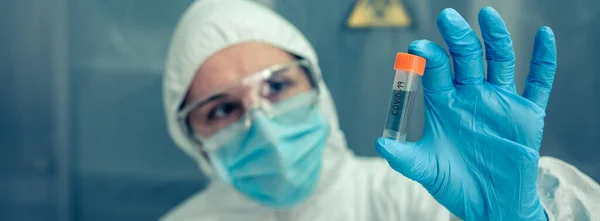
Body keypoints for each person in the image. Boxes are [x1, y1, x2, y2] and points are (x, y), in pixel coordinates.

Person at [160, 0, 600, 220]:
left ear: (318, 89)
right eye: (220, 110)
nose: (264, 125)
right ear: (190, 136)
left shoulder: (419, 198)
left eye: (277, 85)